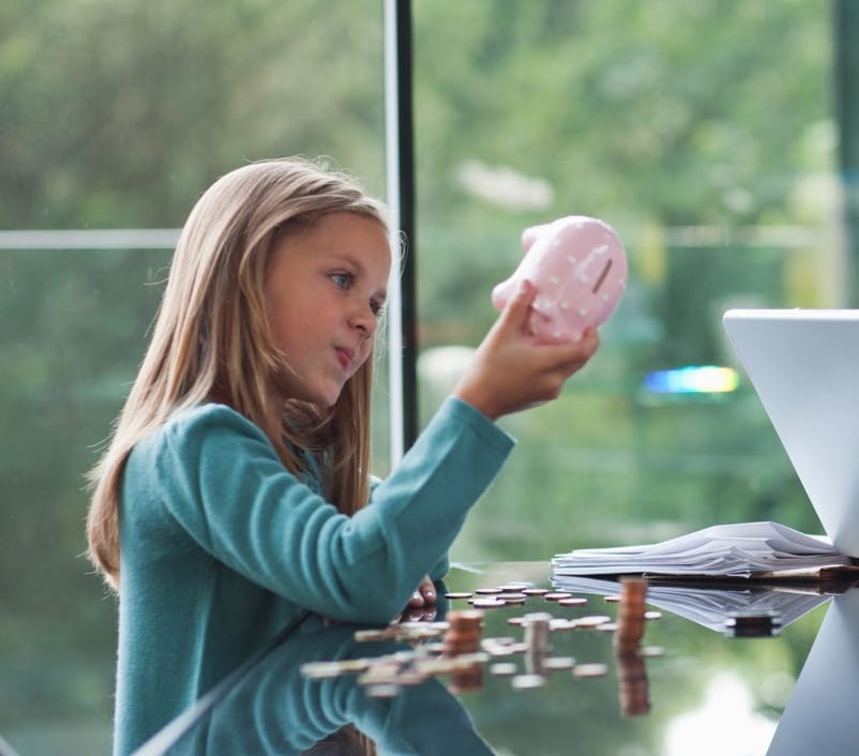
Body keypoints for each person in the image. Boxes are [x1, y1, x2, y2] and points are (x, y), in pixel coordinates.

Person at [84, 157, 598, 753]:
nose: (364, 318)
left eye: (377, 304)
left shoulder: (305, 465)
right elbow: (363, 577)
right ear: (246, 274)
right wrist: (477, 406)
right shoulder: (193, 447)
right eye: (340, 280)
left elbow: (406, 562)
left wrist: (393, 562)